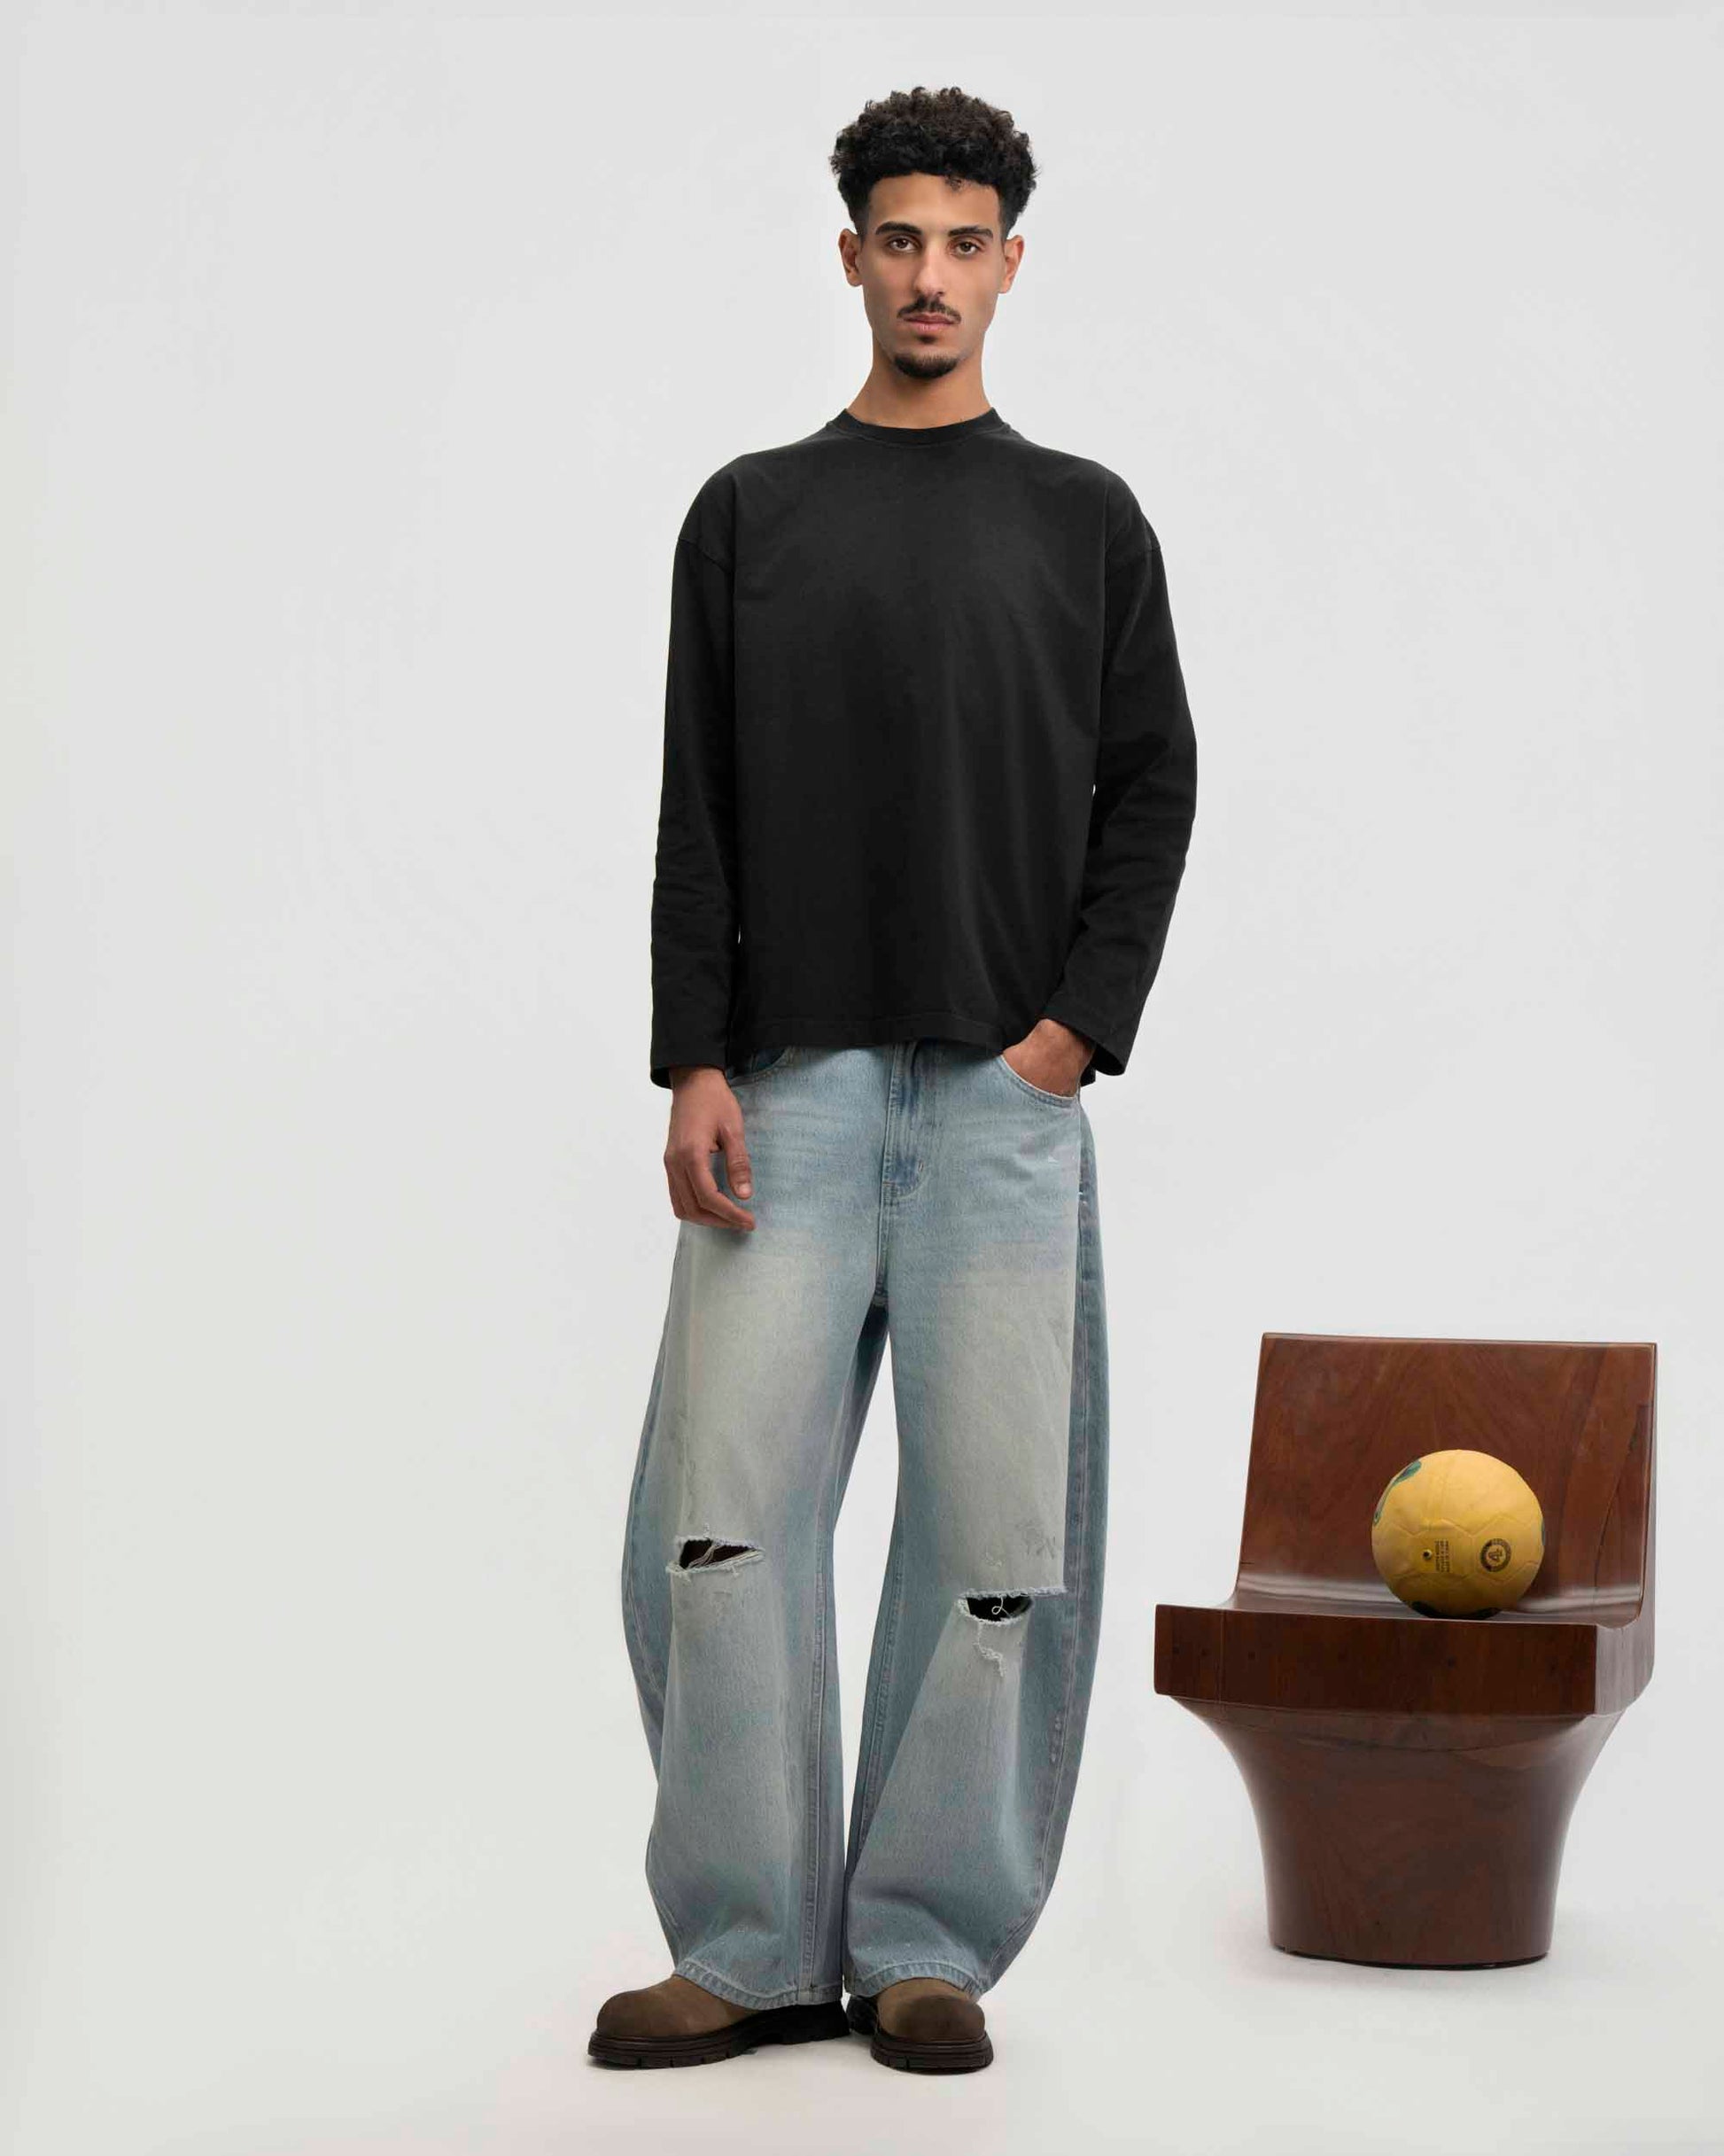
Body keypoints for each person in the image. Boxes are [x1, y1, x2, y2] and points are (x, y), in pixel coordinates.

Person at [590, 82, 1198, 2075]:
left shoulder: (1084, 518)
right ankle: (750, 1942)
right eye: (899, 239)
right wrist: (692, 1053)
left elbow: (1152, 785)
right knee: (721, 1528)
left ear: (1010, 264)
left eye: (965, 242)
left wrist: (1069, 1032)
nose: (930, 275)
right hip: (786, 1089)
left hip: (1002, 1103)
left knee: (995, 1542)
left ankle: (928, 1943)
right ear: (848, 253)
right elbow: (694, 801)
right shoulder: (748, 513)